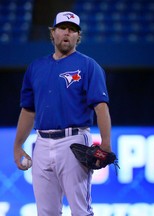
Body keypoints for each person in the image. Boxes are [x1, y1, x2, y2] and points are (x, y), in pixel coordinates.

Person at [13, 11, 112, 215]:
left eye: (73, 30)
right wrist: (17, 145)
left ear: (78, 36)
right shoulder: (36, 67)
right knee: (46, 212)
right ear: (53, 32)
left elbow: (101, 106)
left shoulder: (88, 65)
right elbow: (28, 110)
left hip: (74, 142)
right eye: (63, 28)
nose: (67, 33)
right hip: (41, 142)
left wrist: (106, 143)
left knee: (80, 209)